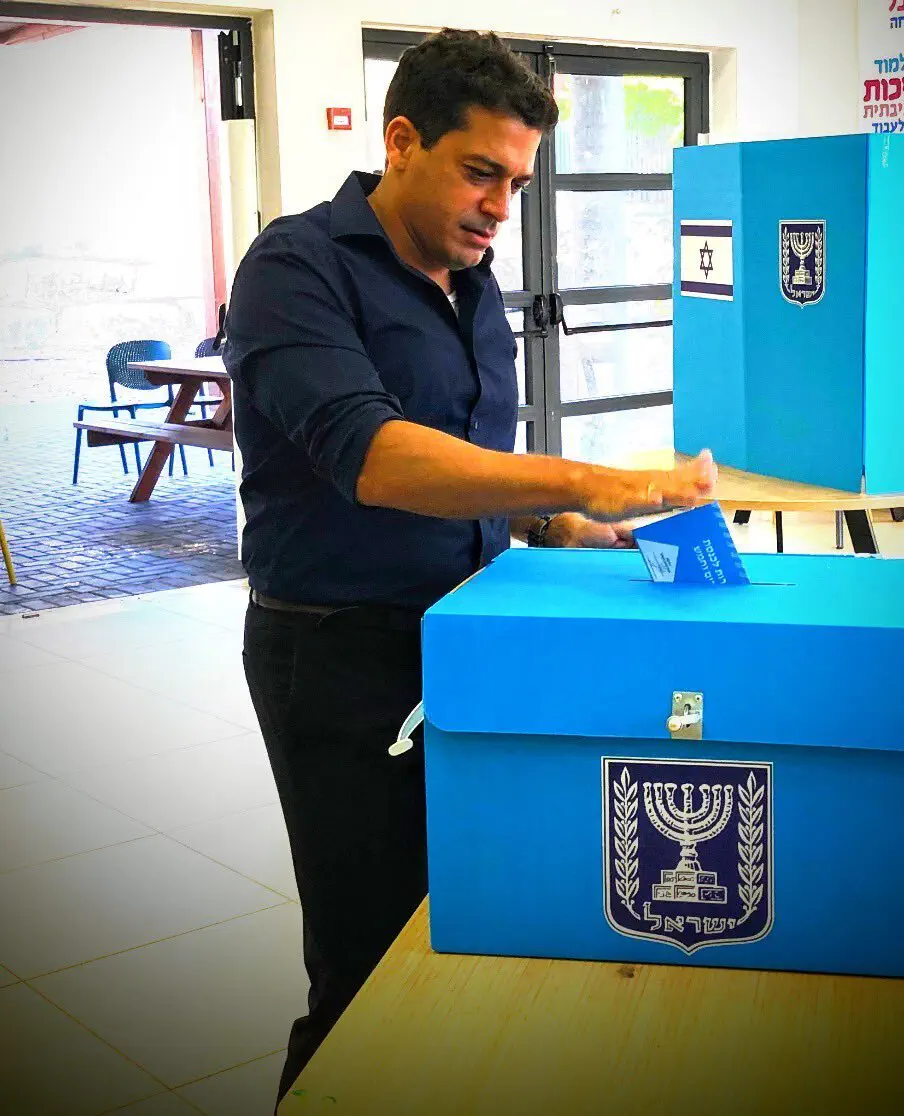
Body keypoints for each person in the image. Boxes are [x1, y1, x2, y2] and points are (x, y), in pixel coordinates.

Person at [222, 27, 717, 1106]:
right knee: (368, 963)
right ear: (401, 141)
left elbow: (476, 465)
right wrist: (593, 478)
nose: (501, 207)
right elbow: (375, 457)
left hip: (477, 633)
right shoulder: (293, 270)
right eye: (481, 172)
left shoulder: (473, 282)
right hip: (342, 656)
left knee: (485, 917)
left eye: (519, 184)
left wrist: (574, 527)